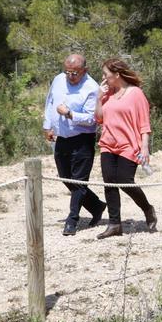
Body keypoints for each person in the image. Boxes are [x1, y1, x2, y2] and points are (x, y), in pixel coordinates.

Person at [42, 54, 106, 236]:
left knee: (78, 181)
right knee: (65, 177)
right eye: (67, 71)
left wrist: (70, 113)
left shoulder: (91, 88)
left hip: (82, 139)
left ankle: (72, 220)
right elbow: (50, 102)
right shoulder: (58, 80)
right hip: (62, 137)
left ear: (84, 70)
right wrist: (48, 125)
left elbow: (92, 119)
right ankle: (97, 206)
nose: (70, 76)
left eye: (75, 73)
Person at [94, 58, 156, 239]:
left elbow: (144, 123)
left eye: (106, 74)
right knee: (109, 183)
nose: (103, 78)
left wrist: (144, 147)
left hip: (129, 145)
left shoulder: (135, 93)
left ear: (117, 75)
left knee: (124, 179)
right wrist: (98, 98)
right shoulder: (106, 94)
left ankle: (148, 209)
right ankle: (114, 224)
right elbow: (99, 118)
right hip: (107, 144)